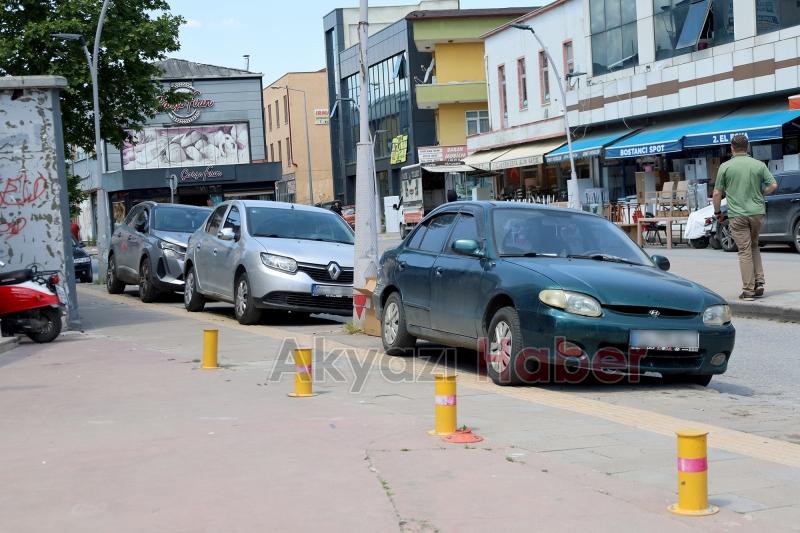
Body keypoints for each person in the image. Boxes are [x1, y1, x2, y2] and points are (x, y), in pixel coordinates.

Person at [713, 135, 778, 301]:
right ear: (747, 147)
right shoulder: (758, 165)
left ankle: (748, 291)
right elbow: (773, 185)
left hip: (738, 215)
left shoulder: (725, 167)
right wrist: (760, 193)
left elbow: (717, 193)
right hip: (757, 213)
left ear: (732, 148)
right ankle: (759, 281)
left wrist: (718, 213)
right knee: (754, 245)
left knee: (744, 251)